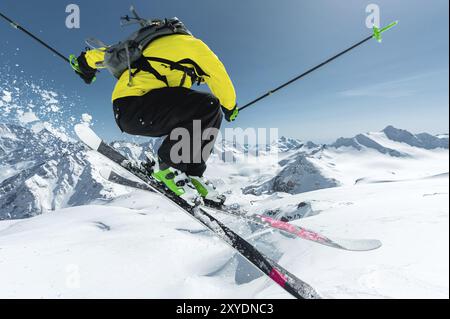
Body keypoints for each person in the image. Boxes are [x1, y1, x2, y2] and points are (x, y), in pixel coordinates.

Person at [73, 19, 238, 206]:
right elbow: (217, 72)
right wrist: (230, 106)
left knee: (207, 114)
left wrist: (83, 64)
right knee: (209, 105)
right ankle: (170, 166)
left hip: (130, 111)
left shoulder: (140, 47)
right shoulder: (191, 45)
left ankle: (193, 175)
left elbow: (104, 55)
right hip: (139, 104)